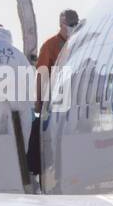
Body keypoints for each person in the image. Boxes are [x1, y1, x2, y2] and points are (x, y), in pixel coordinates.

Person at [32, 9, 79, 176]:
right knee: (55, 141)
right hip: (56, 102)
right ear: (61, 25)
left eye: (76, 24)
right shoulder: (50, 46)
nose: (73, 28)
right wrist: (39, 102)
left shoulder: (80, 43)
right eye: (70, 25)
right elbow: (41, 74)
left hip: (75, 101)